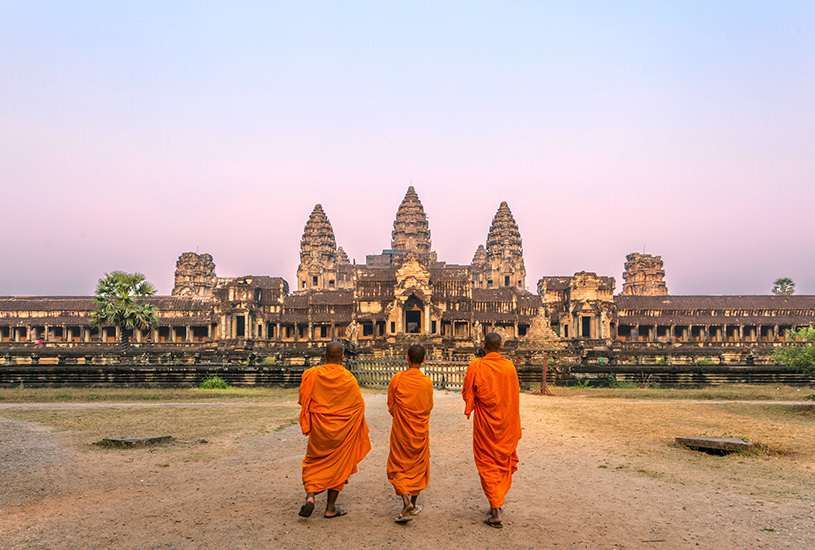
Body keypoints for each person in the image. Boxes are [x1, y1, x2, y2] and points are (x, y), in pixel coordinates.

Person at [297, 341, 371, 519]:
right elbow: (359, 406)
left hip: (320, 430)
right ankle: (330, 508)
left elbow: (304, 399)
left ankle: (310, 496)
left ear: (324, 356)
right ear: (343, 357)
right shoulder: (349, 378)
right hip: (342, 433)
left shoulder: (312, 375)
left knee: (313, 461)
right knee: (340, 464)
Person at [462, 331, 522, 529]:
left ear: (482, 345)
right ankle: (496, 502)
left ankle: (495, 510)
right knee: (501, 462)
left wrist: (472, 403)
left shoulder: (477, 365)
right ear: (502, 347)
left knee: (487, 463)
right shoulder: (509, 367)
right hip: (506, 424)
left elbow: (468, 393)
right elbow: (512, 397)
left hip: (486, 425)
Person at [387, 344, 434, 523]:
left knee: (399, 463)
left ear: (407, 358)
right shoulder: (427, 382)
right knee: (418, 465)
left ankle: (406, 500)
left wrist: (401, 416)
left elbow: (391, 405)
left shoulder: (397, 379)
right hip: (419, 430)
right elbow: (428, 407)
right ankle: (412, 504)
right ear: (423, 360)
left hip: (401, 430)